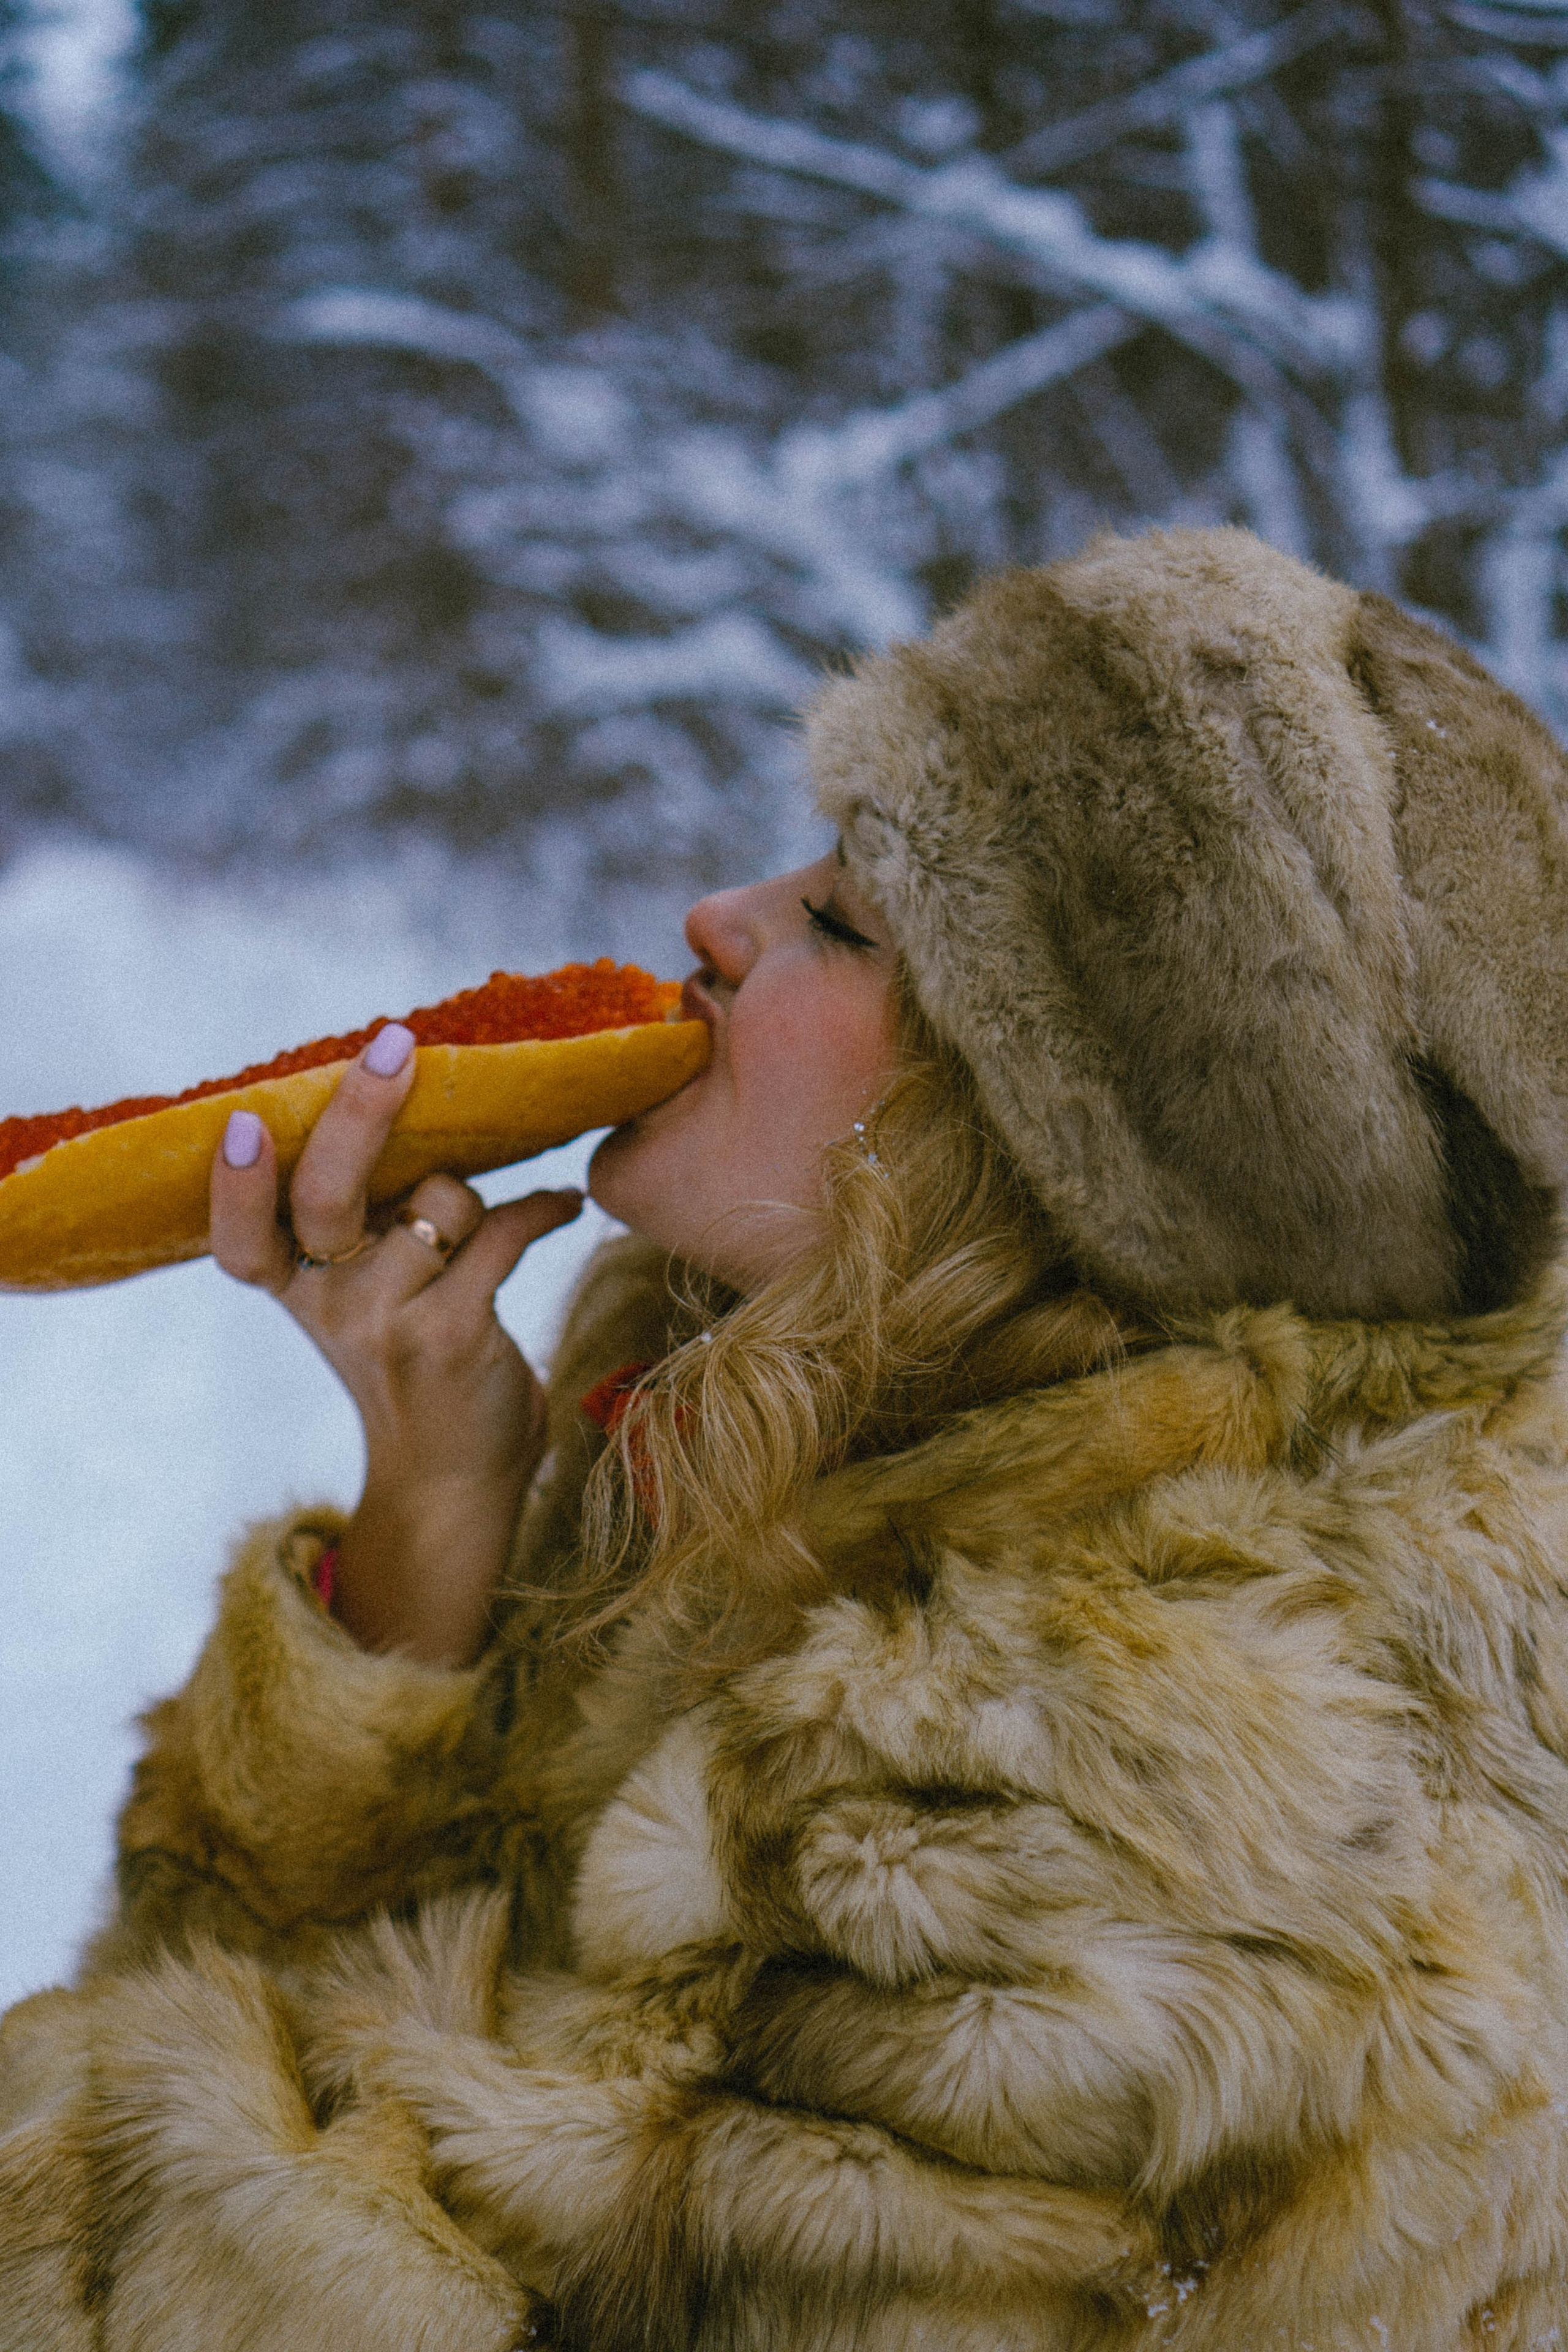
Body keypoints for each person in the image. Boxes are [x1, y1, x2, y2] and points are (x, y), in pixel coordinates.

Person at [5, 525, 1568, 2351]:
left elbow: (205, 2291)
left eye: (843, 920)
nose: (717, 921)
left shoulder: (1122, 1809)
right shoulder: (809, 1465)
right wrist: (430, 1536)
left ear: (1051, 1162)